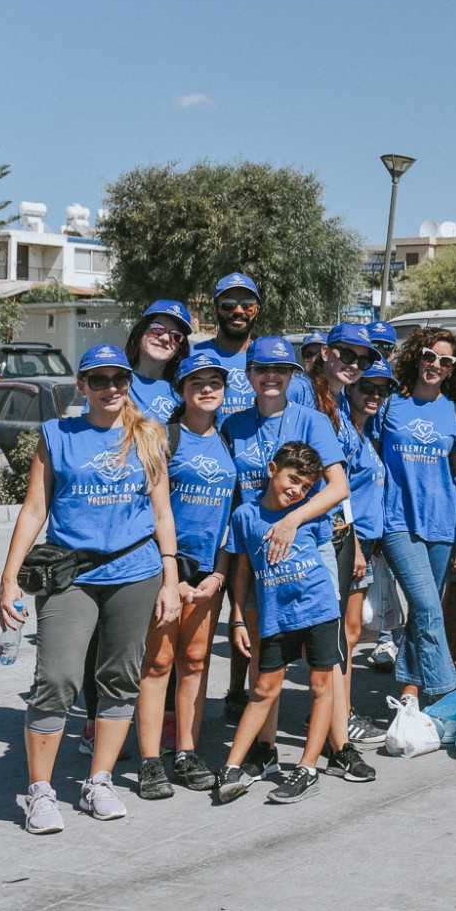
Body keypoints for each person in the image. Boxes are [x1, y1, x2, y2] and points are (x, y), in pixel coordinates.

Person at [0, 344, 183, 833]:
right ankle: (40, 791)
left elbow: (163, 514)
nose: (110, 388)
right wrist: (9, 577)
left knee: (120, 679)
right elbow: (35, 509)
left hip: (135, 572)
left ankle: (99, 781)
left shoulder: (148, 436)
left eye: (118, 379)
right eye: (98, 380)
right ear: (81, 386)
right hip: (72, 574)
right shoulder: (58, 435)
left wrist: (171, 579)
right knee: (57, 679)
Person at [217, 336, 349, 733]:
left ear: (293, 375)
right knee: (264, 653)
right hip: (257, 552)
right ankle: (265, 747)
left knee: (326, 656)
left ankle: (341, 745)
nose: (271, 377)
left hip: (309, 546)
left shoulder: (312, 421)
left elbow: (338, 487)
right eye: (262, 369)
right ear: (249, 374)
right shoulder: (234, 424)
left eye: (281, 370)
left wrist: (292, 521)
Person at [217, 442, 355, 804]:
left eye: (306, 486)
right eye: (292, 479)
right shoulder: (245, 516)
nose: (296, 490)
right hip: (275, 615)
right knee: (263, 690)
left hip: (319, 609)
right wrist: (236, 617)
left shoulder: (310, 514)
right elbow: (243, 569)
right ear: (272, 469)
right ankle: (233, 766)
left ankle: (307, 769)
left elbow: (325, 555)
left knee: (321, 686)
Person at [134, 354, 240, 799]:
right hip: (166, 568)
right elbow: (149, 511)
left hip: (208, 573)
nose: (207, 388)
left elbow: (232, 516)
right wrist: (169, 574)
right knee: (158, 664)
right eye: (197, 381)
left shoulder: (230, 440)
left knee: (195, 662)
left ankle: (186, 752)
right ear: (182, 389)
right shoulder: (165, 438)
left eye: (215, 381)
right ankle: (149, 762)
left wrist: (219, 575)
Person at [367, 328, 456, 703]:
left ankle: (410, 696)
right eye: (430, 356)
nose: (435, 365)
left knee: (422, 610)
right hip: (397, 521)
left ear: (451, 369)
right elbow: (372, 463)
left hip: (444, 525)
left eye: (445, 361)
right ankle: (448, 695)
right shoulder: (388, 406)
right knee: (430, 607)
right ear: (417, 356)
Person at [340, 357, 395, 713]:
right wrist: (357, 549)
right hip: (349, 545)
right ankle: (340, 714)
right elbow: (340, 496)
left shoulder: (365, 432)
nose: (375, 395)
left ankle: (339, 710)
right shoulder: (345, 433)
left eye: (383, 389)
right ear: (350, 388)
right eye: (367, 388)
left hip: (365, 545)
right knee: (347, 635)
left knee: (352, 633)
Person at [188, 272, 262, 420]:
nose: (238, 311)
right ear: (215, 309)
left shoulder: (267, 360)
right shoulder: (191, 356)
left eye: (248, 305)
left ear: (256, 311)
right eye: (228, 305)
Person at [125, 299, 192, 422]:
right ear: (140, 332)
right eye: (157, 329)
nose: (166, 338)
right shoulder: (115, 382)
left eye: (176, 335)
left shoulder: (184, 394)